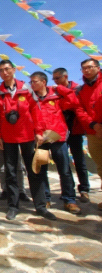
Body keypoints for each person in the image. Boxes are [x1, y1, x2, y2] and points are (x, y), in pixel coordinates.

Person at [0, 60, 54, 221]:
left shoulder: (26, 89)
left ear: (14, 69)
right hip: (8, 137)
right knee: (11, 173)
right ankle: (13, 206)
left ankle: (40, 206)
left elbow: (36, 111)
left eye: (7, 69)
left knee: (35, 170)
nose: (5, 72)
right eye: (1, 70)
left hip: (27, 135)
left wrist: (39, 132)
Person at [30, 72, 81, 215]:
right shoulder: (32, 99)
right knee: (42, 170)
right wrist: (37, 133)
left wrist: (60, 88)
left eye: (35, 82)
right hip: (41, 139)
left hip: (58, 137)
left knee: (64, 170)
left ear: (43, 82)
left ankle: (69, 200)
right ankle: (45, 198)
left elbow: (74, 101)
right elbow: (30, 117)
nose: (32, 84)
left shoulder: (57, 96)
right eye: (31, 82)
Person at [52, 68, 91, 203]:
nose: (55, 81)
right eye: (54, 79)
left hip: (75, 129)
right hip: (61, 130)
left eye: (58, 78)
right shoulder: (55, 92)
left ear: (65, 77)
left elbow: (74, 102)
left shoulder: (77, 89)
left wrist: (62, 91)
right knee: (63, 163)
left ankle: (84, 189)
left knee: (79, 161)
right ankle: (68, 190)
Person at [74, 59, 102, 211]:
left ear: (98, 68)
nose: (86, 70)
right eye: (83, 68)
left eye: (89, 67)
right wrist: (94, 125)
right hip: (92, 132)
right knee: (101, 166)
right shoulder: (81, 90)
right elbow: (80, 110)